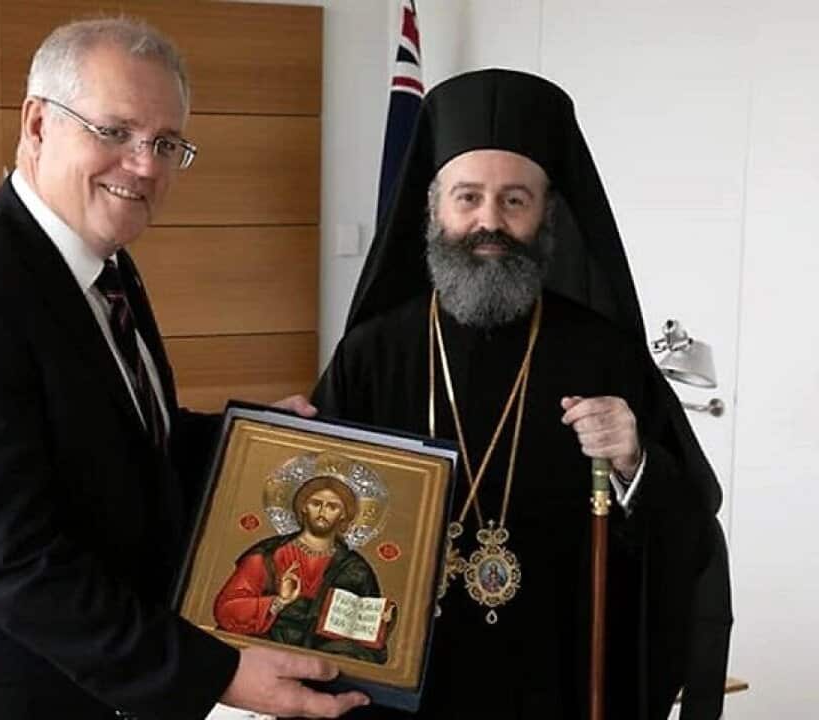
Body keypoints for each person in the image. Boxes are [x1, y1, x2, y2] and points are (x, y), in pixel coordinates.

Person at [0, 18, 367, 720]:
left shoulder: (108, 272)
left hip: (88, 689)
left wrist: (252, 442)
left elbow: (126, 442)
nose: (144, 165)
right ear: (38, 124)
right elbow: (11, 560)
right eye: (115, 132)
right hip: (3, 698)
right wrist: (216, 673)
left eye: (166, 144)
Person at [312, 69, 729, 718]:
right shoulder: (373, 352)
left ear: (546, 212)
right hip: (399, 688)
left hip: (555, 676)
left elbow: (688, 529)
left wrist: (633, 462)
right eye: (468, 197)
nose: (489, 223)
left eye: (514, 201)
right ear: (433, 207)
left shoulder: (601, 353)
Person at [214, 473, 390, 664]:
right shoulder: (268, 555)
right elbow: (226, 610)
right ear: (304, 507)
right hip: (265, 650)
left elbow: (364, 630)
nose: (322, 511)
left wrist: (382, 623)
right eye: (316, 503)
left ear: (344, 515)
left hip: (324, 657)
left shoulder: (356, 569)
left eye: (332, 506)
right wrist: (279, 602)